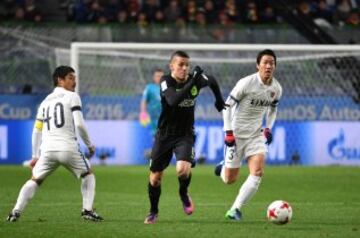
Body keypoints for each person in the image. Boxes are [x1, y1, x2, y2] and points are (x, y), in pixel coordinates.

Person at [6, 66, 103, 222]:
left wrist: (34, 156)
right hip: (68, 148)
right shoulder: (73, 97)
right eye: (70, 77)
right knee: (88, 175)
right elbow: (79, 124)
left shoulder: (44, 102)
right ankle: (87, 211)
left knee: (34, 180)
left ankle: (15, 212)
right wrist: (90, 145)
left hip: (48, 150)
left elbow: (36, 130)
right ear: (60, 80)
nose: (74, 81)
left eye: (74, 77)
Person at [144, 50, 226, 224]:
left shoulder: (194, 79)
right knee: (155, 178)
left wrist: (218, 100)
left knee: (182, 170)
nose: (184, 68)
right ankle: (153, 211)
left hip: (185, 134)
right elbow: (173, 100)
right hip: (164, 135)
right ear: (171, 65)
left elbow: (211, 80)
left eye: (187, 65)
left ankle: (183, 193)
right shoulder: (165, 81)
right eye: (180, 64)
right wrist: (192, 82)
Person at [215, 49, 282, 220]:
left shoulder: (277, 88)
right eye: (265, 62)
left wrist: (268, 128)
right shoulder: (246, 83)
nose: (268, 66)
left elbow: (273, 110)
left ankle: (235, 209)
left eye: (271, 63)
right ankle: (222, 168)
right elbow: (227, 106)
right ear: (258, 65)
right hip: (236, 134)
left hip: (255, 135)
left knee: (258, 171)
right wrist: (228, 131)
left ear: (275, 66)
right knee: (229, 179)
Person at [139, 68, 164, 138]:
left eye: (161, 76)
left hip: (166, 118)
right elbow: (144, 101)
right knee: (156, 137)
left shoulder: (168, 88)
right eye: (157, 76)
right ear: (154, 77)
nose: (159, 78)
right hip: (154, 118)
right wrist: (143, 112)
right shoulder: (149, 88)